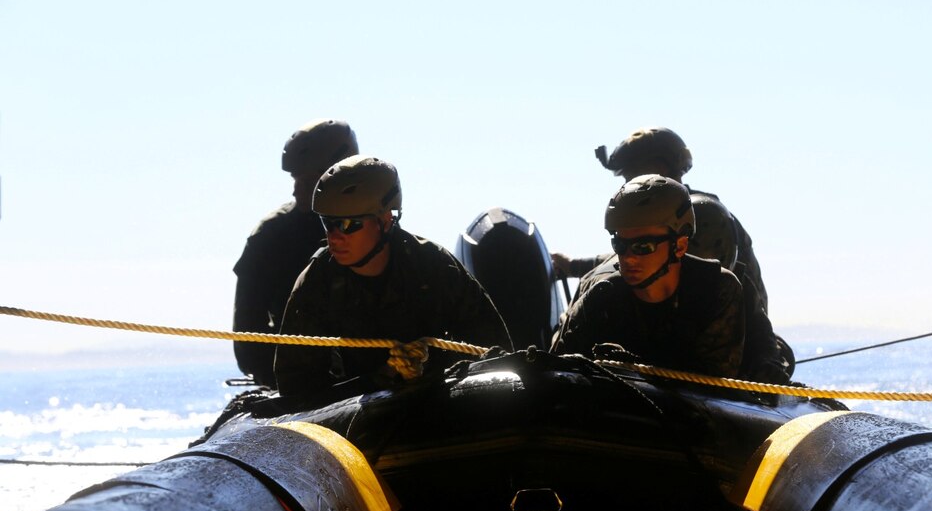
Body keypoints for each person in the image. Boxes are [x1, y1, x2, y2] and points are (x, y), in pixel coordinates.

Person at [552, 126, 794, 381]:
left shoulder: (702, 219)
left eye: (630, 174)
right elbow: (632, 257)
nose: (628, 185)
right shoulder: (612, 277)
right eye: (620, 244)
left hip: (714, 328)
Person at [274, 155, 513, 397]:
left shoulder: (433, 266)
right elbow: (297, 384)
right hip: (359, 415)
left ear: (386, 220)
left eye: (348, 224)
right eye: (328, 223)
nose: (335, 236)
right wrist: (379, 380)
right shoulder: (317, 283)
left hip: (442, 400)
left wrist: (429, 368)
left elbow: (494, 351)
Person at [550, 175, 747, 378]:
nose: (628, 258)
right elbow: (558, 370)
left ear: (679, 246)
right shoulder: (602, 294)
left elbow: (714, 386)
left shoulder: (715, 290)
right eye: (619, 245)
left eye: (643, 247)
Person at [232, 118, 360, 388]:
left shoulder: (372, 224)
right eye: (295, 178)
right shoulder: (270, 236)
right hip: (296, 381)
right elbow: (248, 331)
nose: (296, 187)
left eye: (307, 178)